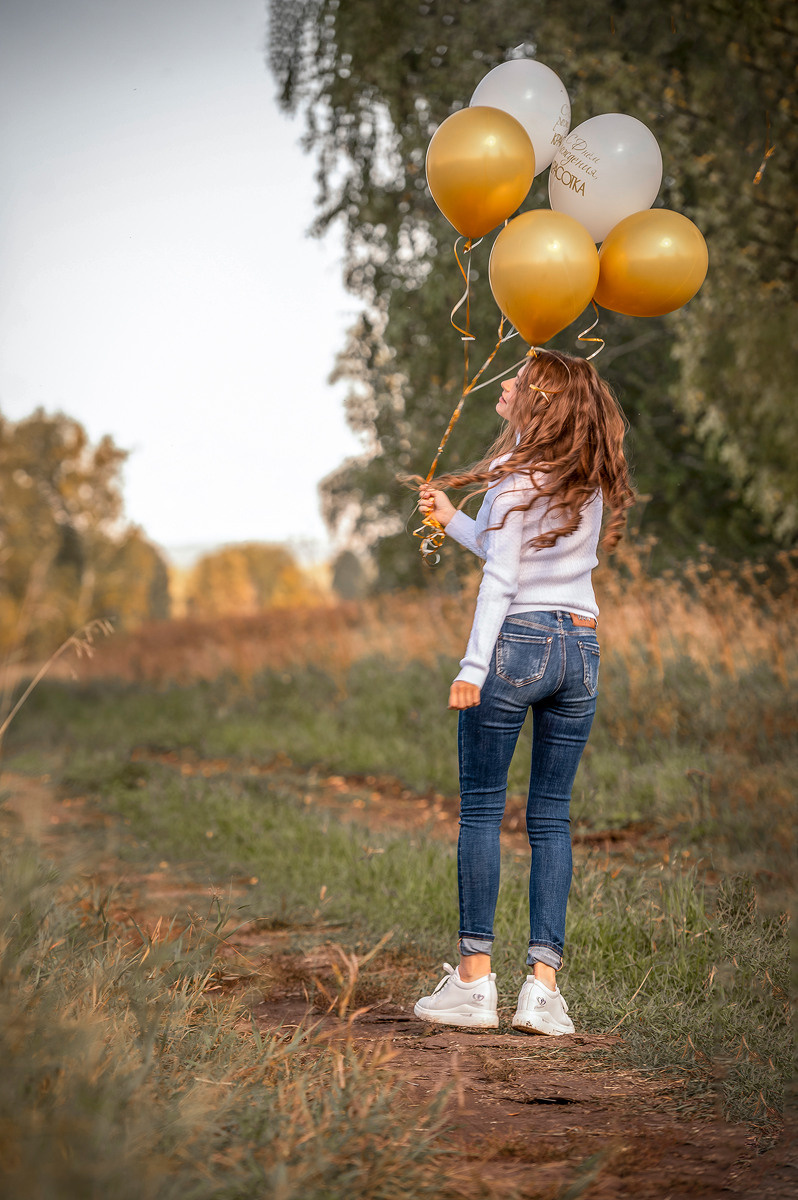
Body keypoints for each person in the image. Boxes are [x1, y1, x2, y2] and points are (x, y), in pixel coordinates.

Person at [413, 348, 634, 1035]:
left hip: (517, 648)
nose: (505, 383)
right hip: (581, 647)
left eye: (518, 381)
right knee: (551, 818)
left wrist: (472, 667)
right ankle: (544, 991)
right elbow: (512, 551)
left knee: (481, 811)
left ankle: (475, 984)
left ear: (537, 404)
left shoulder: (512, 485)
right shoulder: (585, 481)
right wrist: (452, 519)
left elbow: (503, 581)